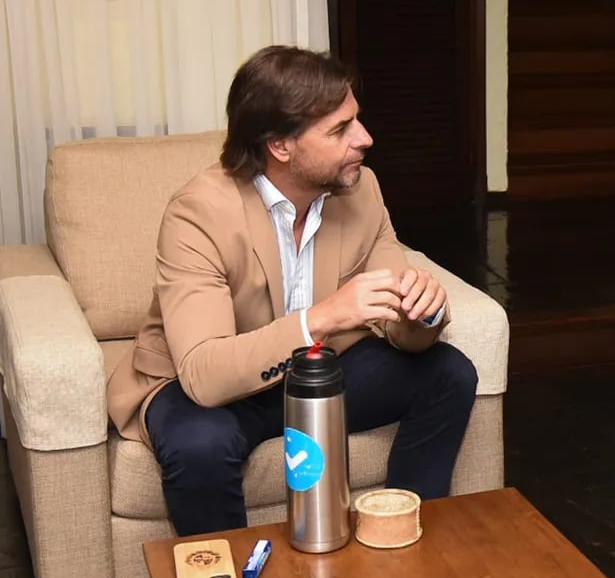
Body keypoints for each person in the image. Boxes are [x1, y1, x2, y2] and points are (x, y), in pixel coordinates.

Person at [108, 45, 478, 536]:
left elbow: (399, 326)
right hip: (212, 388)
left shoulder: (361, 190)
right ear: (280, 145)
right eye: (340, 129)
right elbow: (204, 375)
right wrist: (322, 318)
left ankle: (404, 548)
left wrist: (420, 314)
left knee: (447, 373)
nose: (365, 139)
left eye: (357, 121)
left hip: (316, 373)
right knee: (200, 445)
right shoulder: (199, 213)